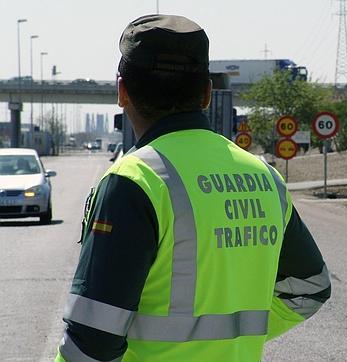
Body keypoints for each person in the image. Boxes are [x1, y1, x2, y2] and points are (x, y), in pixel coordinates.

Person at [56, 15, 331, 361]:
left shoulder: (134, 181)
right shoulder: (265, 176)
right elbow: (310, 287)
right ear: (206, 93)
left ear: (122, 91)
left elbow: (90, 343)